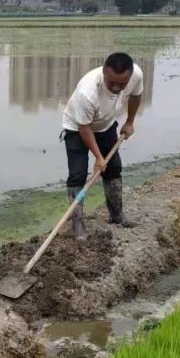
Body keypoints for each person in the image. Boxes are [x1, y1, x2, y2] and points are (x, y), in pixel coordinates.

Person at [60, 52, 144, 239]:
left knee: (113, 168)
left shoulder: (136, 75)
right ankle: (77, 223)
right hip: (76, 128)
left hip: (105, 125)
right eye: (111, 82)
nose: (116, 87)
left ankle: (116, 215)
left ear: (129, 76)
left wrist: (129, 122)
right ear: (104, 72)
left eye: (121, 84)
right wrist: (98, 157)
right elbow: (84, 127)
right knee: (78, 175)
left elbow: (136, 96)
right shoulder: (88, 91)